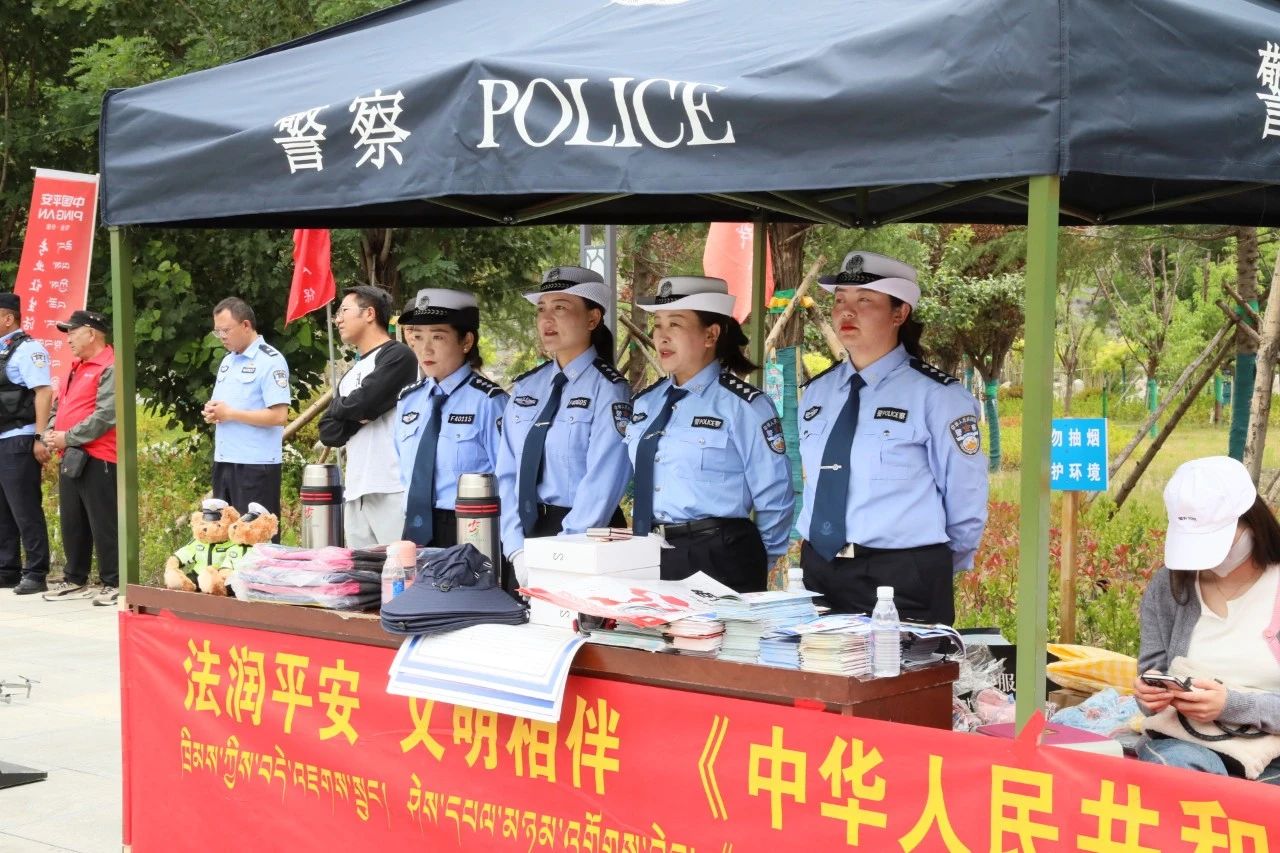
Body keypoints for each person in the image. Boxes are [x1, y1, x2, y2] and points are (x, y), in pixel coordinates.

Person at [796, 251, 987, 623]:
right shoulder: (818, 392)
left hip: (901, 576)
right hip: (819, 568)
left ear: (899, 314)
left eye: (865, 300)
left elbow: (966, 497)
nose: (847, 312)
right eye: (840, 301)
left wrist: (929, 568)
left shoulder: (937, 396)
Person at [627, 276, 793, 592]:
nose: (662, 336)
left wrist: (757, 560)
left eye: (675, 324)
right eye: (658, 325)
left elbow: (775, 494)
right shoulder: (646, 403)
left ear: (711, 335)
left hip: (720, 555)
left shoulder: (744, 406)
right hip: (650, 552)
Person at [1134, 456, 1280, 783]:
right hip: (1190, 746)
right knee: (1176, 769)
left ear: (1252, 523)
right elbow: (1152, 671)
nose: (1206, 560)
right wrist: (1150, 695)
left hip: (1273, 751)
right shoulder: (1170, 586)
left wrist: (1231, 705)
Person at [496, 266, 632, 585]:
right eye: (541, 309)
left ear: (592, 319)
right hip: (525, 536)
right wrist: (516, 548)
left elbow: (603, 481)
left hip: (585, 537)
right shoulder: (527, 387)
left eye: (560, 308)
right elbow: (507, 473)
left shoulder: (609, 390)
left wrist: (560, 553)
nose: (547, 319)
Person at [395, 288, 508, 547]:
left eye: (437, 336)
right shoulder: (408, 400)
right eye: (418, 337)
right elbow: (405, 471)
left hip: (471, 526)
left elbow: (506, 479)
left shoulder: (489, 402)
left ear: (466, 341)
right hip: (414, 526)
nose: (425, 348)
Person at [319, 286, 418, 547]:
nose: (338, 319)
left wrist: (353, 409)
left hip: (393, 487)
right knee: (360, 570)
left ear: (369, 314)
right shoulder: (352, 373)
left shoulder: (399, 356)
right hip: (356, 491)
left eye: (344, 311)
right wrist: (359, 411)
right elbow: (329, 432)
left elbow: (362, 403)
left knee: (400, 567)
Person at [41, 310, 119, 604]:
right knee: (73, 520)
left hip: (99, 455)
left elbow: (106, 415)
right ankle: (75, 579)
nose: (69, 339)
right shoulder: (75, 367)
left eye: (73, 332)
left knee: (104, 521)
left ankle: (114, 581)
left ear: (91, 333)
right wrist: (52, 431)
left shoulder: (110, 366)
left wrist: (68, 436)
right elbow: (58, 406)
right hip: (71, 454)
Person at [203, 297, 290, 530]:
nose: (222, 336)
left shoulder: (270, 361)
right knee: (223, 534)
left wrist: (231, 413)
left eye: (226, 330)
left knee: (255, 536)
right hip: (225, 460)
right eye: (217, 332)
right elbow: (225, 407)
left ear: (245, 325)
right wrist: (214, 412)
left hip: (255, 464)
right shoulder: (227, 362)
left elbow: (279, 416)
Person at [0, 292, 53, 595]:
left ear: (8, 318)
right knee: (2, 510)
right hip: (2, 437)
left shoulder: (29, 349)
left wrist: (39, 436)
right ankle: (7, 569)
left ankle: (36, 571)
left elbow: (43, 392)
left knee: (24, 508)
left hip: (20, 436)